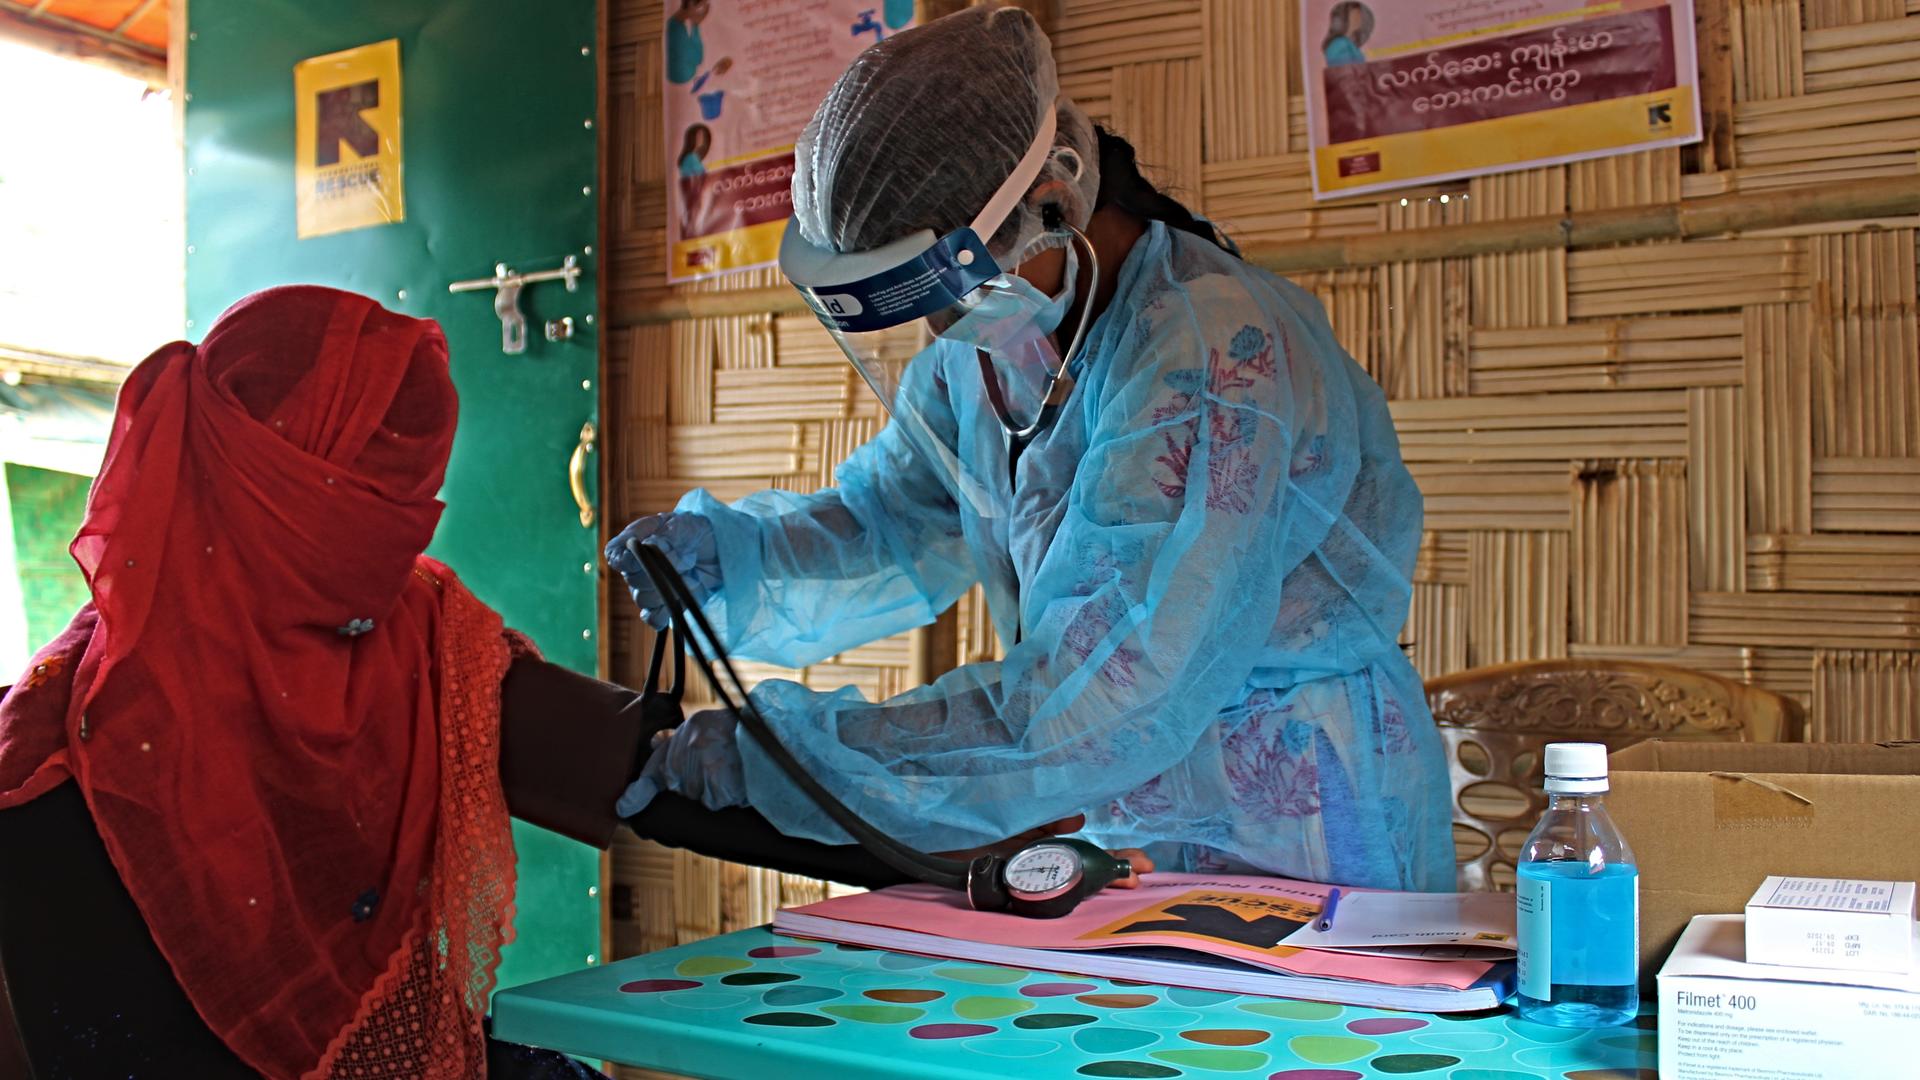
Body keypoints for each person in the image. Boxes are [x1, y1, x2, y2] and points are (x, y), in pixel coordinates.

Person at [0, 286, 1114, 1078]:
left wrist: (959, 849)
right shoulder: (59, 759)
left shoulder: (414, 627)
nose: (398, 545)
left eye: (411, 506)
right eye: (365, 506)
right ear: (267, 493)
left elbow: (654, 774)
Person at [608, 4, 1451, 894]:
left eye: (943, 281)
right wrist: (729, 557)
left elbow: (1107, 688)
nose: (938, 321)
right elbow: (893, 519)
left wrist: (779, 765)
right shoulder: (990, 347)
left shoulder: (1204, 351)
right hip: (1110, 802)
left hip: (1285, 816)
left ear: (1051, 200)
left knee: (1278, 1035)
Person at [1323, 1, 1375, 66]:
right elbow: (1345, 70)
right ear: (1344, 19)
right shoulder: (1339, 44)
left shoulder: (1348, 43)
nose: (1359, 19)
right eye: (1355, 15)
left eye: (1359, 15)